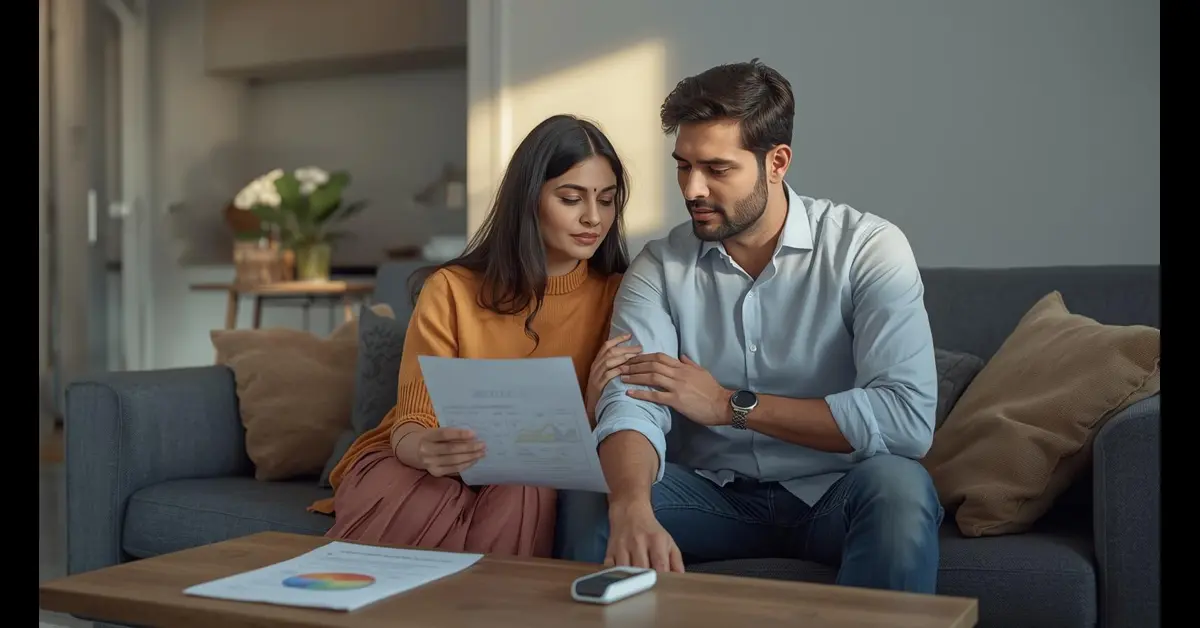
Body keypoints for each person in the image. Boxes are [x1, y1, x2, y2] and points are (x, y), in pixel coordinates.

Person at [558, 60, 943, 594]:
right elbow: (634, 401)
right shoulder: (659, 267)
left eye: (717, 169)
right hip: (711, 497)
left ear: (777, 162)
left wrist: (729, 406)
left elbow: (906, 417)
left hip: (836, 492)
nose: (693, 188)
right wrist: (631, 505)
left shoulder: (867, 249)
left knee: (901, 487)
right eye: (683, 166)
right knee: (599, 495)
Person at [313, 114, 641, 558]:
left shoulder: (621, 296)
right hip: (419, 462)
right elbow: (414, 415)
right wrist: (424, 449)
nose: (593, 218)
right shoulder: (452, 288)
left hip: (530, 474)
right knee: (421, 494)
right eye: (571, 198)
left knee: (525, 490)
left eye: (607, 200)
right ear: (529, 200)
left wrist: (585, 409)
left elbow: (618, 427)